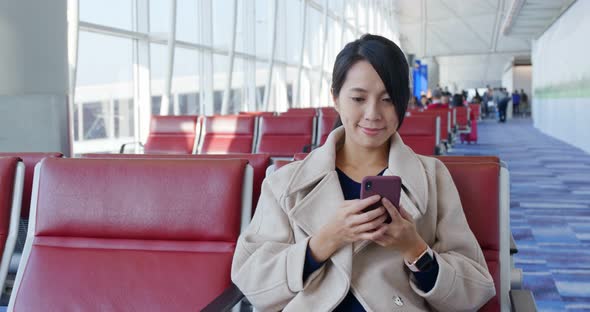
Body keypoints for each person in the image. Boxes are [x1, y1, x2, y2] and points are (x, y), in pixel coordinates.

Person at [231, 34, 495, 311]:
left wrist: (415, 249)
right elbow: (252, 281)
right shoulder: (285, 183)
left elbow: (474, 290)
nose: (373, 113)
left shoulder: (433, 177)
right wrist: (325, 241)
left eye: (388, 99)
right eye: (358, 98)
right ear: (335, 97)